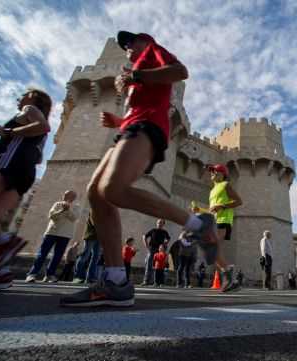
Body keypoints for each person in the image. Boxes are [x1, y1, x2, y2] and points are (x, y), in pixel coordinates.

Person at [60, 31, 217, 307]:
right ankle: (116, 280)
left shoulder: (151, 52)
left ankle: (197, 224)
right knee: (96, 194)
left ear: (145, 41)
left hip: (148, 128)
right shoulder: (133, 70)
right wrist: (118, 120)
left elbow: (180, 71)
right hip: (130, 128)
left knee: (113, 189)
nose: (128, 47)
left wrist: (137, 77)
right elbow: (142, 105)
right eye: (124, 45)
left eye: (132, 41)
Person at [0, 88, 52, 289]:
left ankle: (4, 242)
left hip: (8, 165)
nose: (20, 98)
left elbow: (43, 127)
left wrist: (7, 132)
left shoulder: (29, 108)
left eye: (24, 94)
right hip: (25, 173)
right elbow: (40, 156)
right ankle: (0, 271)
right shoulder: (35, 121)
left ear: (33, 98)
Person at [26, 190, 80, 283]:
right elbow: (52, 216)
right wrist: (62, 210)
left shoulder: (76, 207)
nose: (65, 196)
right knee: (42, 254)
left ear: (73, 198)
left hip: (65, 234)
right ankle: (32, 274)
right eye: (65, 194)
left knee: (57, 256)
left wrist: (68, 210)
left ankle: (49, 275)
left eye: (69, 195)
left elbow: (74, 218)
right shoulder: (57, 204)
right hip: (51, 232)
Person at [207, 163, 243, 292]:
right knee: (211, 249)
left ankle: (228, 275)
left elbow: (239, 201)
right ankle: (230, 276)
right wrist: (198, 210)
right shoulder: (212, 191)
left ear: (223, 174)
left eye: (215, 171)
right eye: (211, 172)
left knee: (213, 247)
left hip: (224, 221)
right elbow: (213, 209)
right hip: (215, 220)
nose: (212, 173)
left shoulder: (225, 185)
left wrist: (222, 206)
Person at [73, 213, 101, 283]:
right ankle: (78, 276)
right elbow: (94, 222)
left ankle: (90, 277)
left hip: (100, 238)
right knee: (85, 255)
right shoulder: (94, 210)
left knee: (96, 257)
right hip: (90, 236)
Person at [142, 219, 170, 285]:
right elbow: (144, 236)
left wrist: (165, 243)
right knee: (149, 264)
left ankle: (156, 281)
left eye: (161, 223)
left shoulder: (164, 232)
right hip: (152, 249)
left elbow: (168, 238)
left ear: (163, 224)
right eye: (158, 223)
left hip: (160, 251)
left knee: (159, 266)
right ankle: (146, 281)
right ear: (156, 223)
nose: (159, 224)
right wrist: (146, 246)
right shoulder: (153, 230)